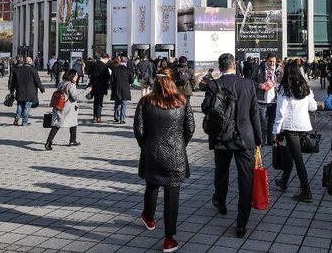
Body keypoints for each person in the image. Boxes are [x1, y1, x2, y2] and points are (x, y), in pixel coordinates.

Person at [134, 68, 195, 253]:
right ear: (171, 81)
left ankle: (149, 217)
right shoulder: (182, 101)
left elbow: (138, 129)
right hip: (175, 153)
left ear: (156, 82)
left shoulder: (146, 101)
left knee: (151, 186)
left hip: (152, 151)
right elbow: (190, 128)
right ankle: (169, 239)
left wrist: (145, 145)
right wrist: (180, 144)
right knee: (172, 195)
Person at [201, 53, 262, 238]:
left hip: (221, 137)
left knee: (221, 172)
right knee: (246, 179)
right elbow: (254, 113)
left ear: (220, 67)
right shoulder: (248, 84)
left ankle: (221, 202)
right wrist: (258, 139)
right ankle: (242, 223)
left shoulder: (214, 84)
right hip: (245, 137)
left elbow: (205, 108)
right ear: (235, 65)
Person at [271, 62, 317, 202]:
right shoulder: (305, 87)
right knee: (291, 155)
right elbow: (313, 106)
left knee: (298, 161)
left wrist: (275, 131)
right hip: (304, 127)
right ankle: (283, 182)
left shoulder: (285, 89)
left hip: (291, 128)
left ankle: (306, 192)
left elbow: (280, 112)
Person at [45, 69, 81, 150]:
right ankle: (72, 140)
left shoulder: (61, 83)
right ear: (72, 76)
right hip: (68, 108)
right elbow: (75, 97)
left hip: (59, 106)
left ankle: (49, 141)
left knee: (57, 125)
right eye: (76, 75)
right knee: (73, 123)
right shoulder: (71, 85)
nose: (77, 76)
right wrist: (85, 91)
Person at [250, 53, 279, 145]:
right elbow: (251, 81)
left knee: (272, 121)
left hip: (274, 100)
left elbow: (282, 82)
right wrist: (259, 85)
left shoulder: (278, 70)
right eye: (270, 61)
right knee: (263, 121)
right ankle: (262, 140)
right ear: (266, 60)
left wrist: (277, 85)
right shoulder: (259, 68)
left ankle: (270, 140)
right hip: (261, 100)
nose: (272, 63)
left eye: (274, 61)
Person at [9, 56, 45, 126]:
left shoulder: (17, 69)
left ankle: (16, 119)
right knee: (27, 106)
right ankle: (24, 122)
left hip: (20, 91)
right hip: (30, 92)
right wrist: (42, 89)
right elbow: (37, 81)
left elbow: (13, 81)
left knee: (19, 105)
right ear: (30, 62)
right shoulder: (33, 70)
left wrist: (11, 90)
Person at [111, 56, 134, 124]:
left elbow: (111, 79)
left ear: (120, 61)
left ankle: (116, 116)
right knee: (124, 103)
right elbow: (132, 80)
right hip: (125, 88)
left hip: (116, 87)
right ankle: (122, 118)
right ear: (126, 62)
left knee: (117, 102)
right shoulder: (128, 69)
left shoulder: (115, 68)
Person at [89, 53, 111, 123]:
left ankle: (94, 117)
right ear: (105, 59)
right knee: (99, 102)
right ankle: (98, 117)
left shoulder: (94, 64)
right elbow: (108, 77)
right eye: (107, 60)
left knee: (95, 102)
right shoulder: (105, 66)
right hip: (102, 86)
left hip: (94, 85)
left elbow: (90, 73)